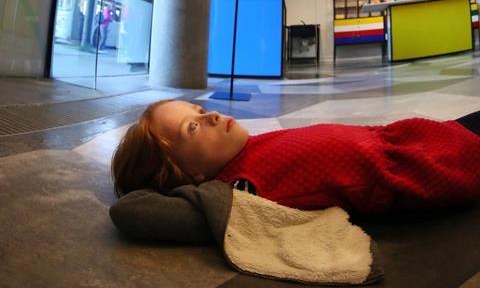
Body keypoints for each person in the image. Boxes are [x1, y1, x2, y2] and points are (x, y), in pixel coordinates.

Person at [111, 100, 480, 215]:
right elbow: (137, 213)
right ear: (189, 173)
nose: (210, 116)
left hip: (417, 137)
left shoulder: (246, 152)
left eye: (199, 109)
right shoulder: (241, 191)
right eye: (192, 128)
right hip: (435, 162)